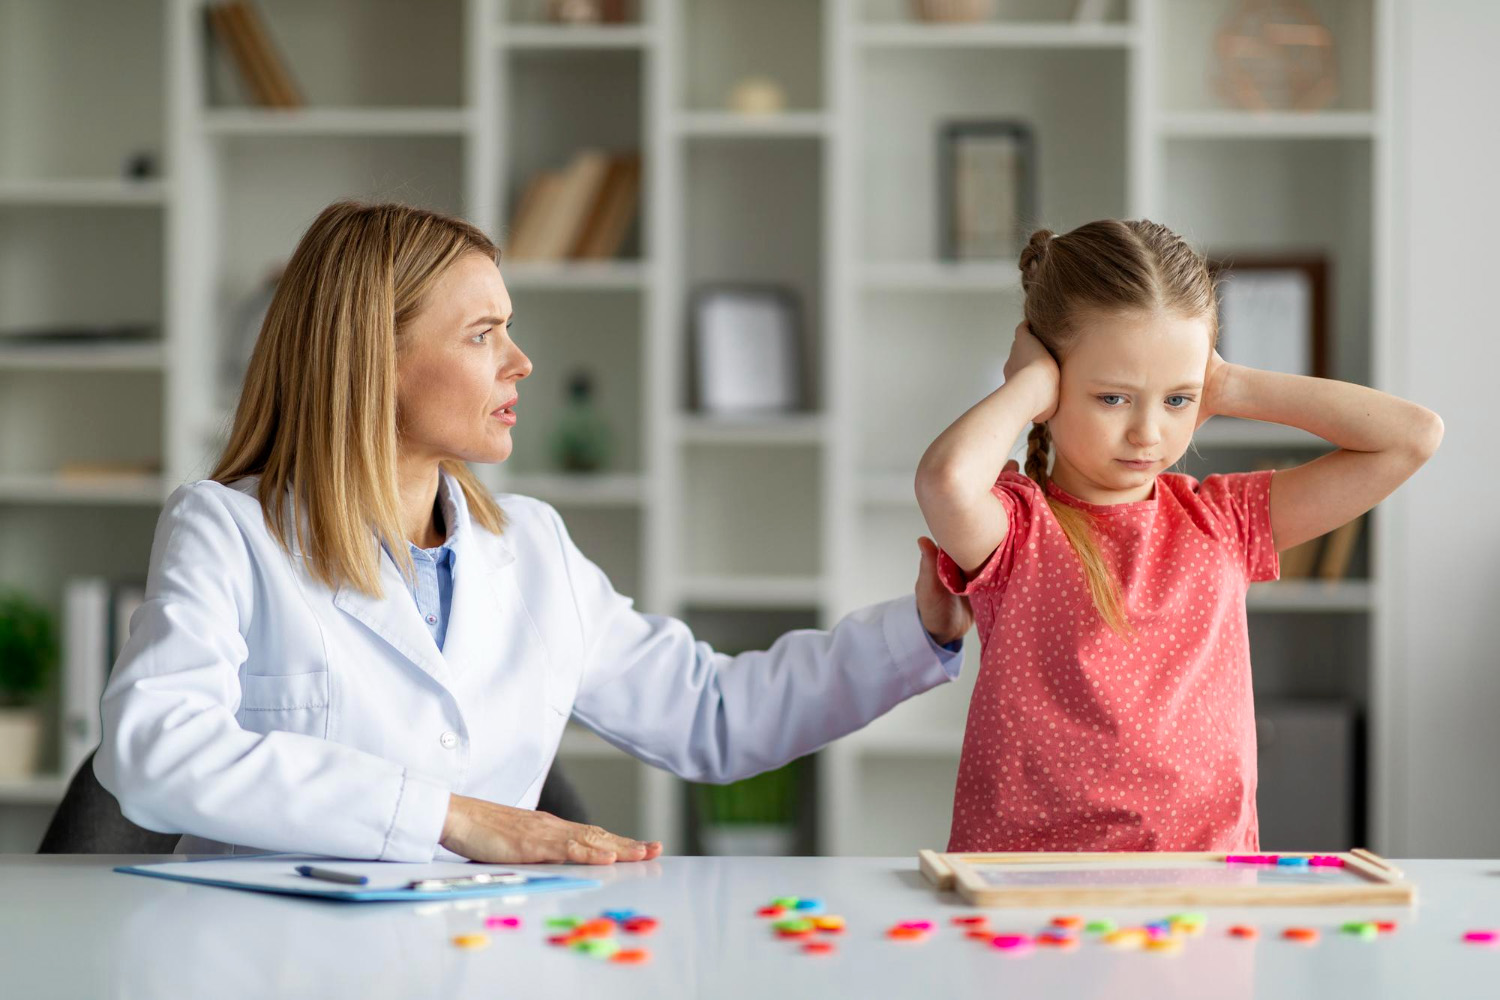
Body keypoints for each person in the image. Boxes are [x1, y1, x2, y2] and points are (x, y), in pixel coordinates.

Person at [94, 202, 972, 865]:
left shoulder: (531, 547)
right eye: (483, 334)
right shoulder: (228, 530)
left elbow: (714, 716)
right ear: (373, 361)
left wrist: (923, 629)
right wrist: (457, 817)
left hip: (480, 960)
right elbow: (152, 748)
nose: (521, 362)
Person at [914, 219, 1442, 851]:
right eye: (1113, 398)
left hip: (1203, 883)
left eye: (1177, 401)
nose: (1147, 433)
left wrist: (1230, 384)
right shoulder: (1017, 527)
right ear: (1052, 384)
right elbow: (945, 482)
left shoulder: (1224, 519)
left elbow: (1412, 437)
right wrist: (1028, 384)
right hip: (1029, 881)